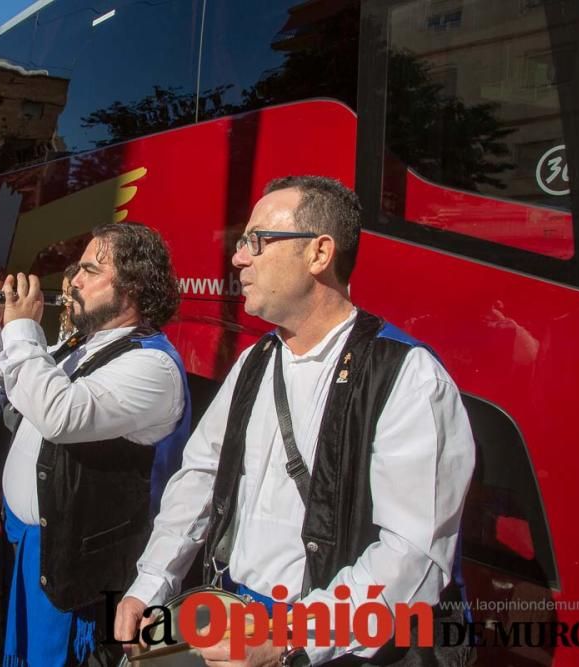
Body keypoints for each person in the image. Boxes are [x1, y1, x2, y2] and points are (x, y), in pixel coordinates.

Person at [113, 176, 476, 666]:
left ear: (319, 253)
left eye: (256, 241)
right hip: (233, 619)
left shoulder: (407, 375)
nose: (239, 258)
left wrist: (288, 637)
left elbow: (412, 558)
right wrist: (153, 582)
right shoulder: (255, 361)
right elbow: (200, 476)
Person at [0, 222, 191, 666]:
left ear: (134, 285)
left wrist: (22, 329)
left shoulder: (152, 366)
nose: (74, 281)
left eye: (90, 269)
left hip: (87, 575)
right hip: (39, 549)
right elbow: (26, 391)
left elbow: (58, 413)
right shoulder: (86, 344)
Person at [56, 262, 79, 345]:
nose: (63, 299)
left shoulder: (93, 325)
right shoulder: (66, 316)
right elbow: (62, 346)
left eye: (69, 294)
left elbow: (73, 344)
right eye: (63, 292)